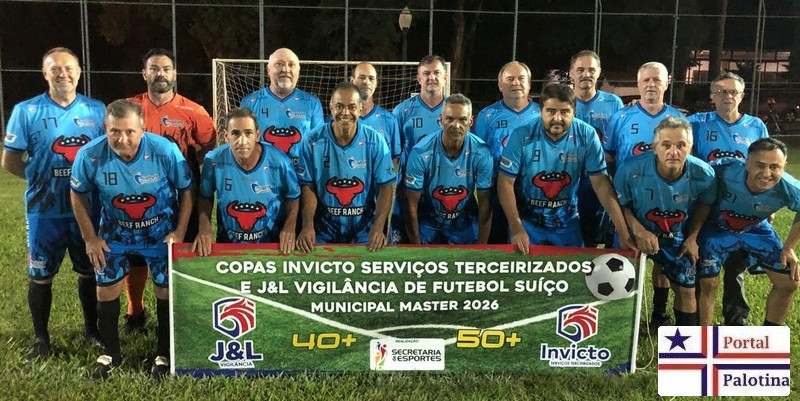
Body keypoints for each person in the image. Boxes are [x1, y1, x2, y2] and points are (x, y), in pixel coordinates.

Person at [70, 99, 194, 380]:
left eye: (129, 131)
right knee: (105, 290)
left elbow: (187, 189)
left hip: (159, 234)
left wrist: (179, 232)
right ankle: (110, 354)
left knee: (165, 290)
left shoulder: (164, 150)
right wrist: (90, 237)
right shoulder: (90, 155)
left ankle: (164, 354)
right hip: (115, 234)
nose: (122, 138)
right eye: (115, 131)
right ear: (105, 129)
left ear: (142, 128)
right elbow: (77, 194)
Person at [2, 47, 105, 361]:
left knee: (90, 270)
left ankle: (92, 331)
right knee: (41, 273)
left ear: (79, 71)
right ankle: (41, 339)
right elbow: (10, 160)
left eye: (69, 68)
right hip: (45, 209)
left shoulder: (96, 110)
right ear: (45, 73)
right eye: (55, 68)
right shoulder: (26, 111)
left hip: (88, 208)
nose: (63, 74)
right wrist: (38, 178)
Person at [125, 48, 217, 332]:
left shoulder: (193, 111)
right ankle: (135, 312)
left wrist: (186, 167)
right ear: (144, 73)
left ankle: (182, 311)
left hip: (182, 194)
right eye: (154, 68)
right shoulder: (131, 107)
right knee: (137, 254)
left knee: (184, 249)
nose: (160, 74)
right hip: (139, 193)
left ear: (174, 73)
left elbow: (210, 146)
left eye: (166, 69)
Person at [497, 84, 634, 254]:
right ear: (541, 111)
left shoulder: (587, 135)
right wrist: (516, 227)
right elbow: (505, 183)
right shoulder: (521, 135)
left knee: (572, 270)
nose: (557, 118)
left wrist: (623, 231)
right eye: (551, 111)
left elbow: (601, 183)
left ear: (574, 112)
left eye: (564, 112)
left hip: (566, 221)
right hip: (527, 221)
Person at [605, 61, 685, 329]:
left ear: (667, 83)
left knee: (663, 260)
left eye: (657, 80)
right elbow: (610, 157)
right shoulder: (621, 117)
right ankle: (622, 318)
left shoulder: (679, 119)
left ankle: (659, 314)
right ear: (638, 84)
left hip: (666, 203)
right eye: (646, 80)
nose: (651, 85)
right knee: (625, 257)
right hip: (628, 202)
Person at [614, 116, 716, 326]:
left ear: (690, 148)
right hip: (635, 231)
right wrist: (639, 231)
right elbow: (621, 204)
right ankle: (625, 329)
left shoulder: (705, 174)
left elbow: (705, 205)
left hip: (677, 235)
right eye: (666, 145)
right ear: (654, 148)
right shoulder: (630, 168)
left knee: (687, 291)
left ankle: (683, 341)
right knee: (618, 281)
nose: (673, 152)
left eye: (681, 145)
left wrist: (693, 237)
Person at [688, 72, 769, 326]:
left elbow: (768, 165)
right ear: (712, 96)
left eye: (733, 92)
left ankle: (736, 320)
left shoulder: (756, 126)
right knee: (704, 266)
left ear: (742, 96)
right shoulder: (697, 123)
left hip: (742, 208)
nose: (728, 96)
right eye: (721, 91)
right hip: (706, 206)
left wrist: (768, 204)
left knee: (736, 266)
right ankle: (700, 321)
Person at [697, 138, 800, 326]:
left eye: (775, 167)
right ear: (747, 163)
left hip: (755, 229)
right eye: (760, 165)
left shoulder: (789, 187)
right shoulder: (723, 169)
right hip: (715, 229)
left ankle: (769, 335)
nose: (766, 173)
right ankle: (705, 336)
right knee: (708, 283)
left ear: (784, 167)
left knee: (789, 282)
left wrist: (789, 247)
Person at [295, 82, 396, 253]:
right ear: (331, 107)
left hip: (364, 232)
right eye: (340, 106)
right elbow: (308, 186)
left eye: (352, 107)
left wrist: (379, 227)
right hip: (322, 231)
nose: (345, 112)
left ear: (360, 109)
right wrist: (307, 225)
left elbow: (385, 187)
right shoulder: (312, 141)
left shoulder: (375, 141)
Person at [192, 108, 300, 256]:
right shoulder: (213, 160)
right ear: (226, 136)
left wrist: (290, 226)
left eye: (248, 133)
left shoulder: (280, 162)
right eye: (235, 133)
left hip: (273, 245)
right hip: (228, 245)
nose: (242, 141)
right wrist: (204, 226)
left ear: (257, 135)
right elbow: (205, 195)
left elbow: (293, 196)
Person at [405, 94, 493, 244]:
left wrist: (482, 247)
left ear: (471, 121)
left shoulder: (482, 152)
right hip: (428, 221)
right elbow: (410, 205)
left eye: (462, 120)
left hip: (464, 221)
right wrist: (416, 246)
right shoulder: (420, 152)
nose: (456, 125)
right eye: (450, 119)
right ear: (441, 120)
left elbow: (485, 203)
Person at [473, 61, 540, 244]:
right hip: (497, 189)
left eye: (521, 78)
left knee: (532, 244)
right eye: (510, 79)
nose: (515, 82)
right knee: (497, 243)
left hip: (534, 191)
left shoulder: (542, 114)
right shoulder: (487, 115)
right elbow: (480, 156)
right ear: (500, 85)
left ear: (529, 84)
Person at [568, 50, 624, 248]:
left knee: (598, 237)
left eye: (591, 70)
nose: (586, 74)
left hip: (600, 179)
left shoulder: (613, 103)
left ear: (599, 72)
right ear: (571, 72)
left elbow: (616, 145)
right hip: (569, 179)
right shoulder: (564, 103)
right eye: (580, 70)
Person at [391, 55, 449, 243]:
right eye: (426, 73)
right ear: (419, 79)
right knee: (404, 249)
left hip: (444, 189)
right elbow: (396, 155)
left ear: (445, 77)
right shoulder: (402, 111)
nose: (432, 77)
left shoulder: (453, 110)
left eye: (437, 73)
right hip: (409, 190)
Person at [240, 47, 324, 165]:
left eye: (291, 65)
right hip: (264, 173)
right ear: (268, 70)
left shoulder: (312, 103)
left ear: (298, 72)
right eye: (279, 64)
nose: (285, 69)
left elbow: (319, 145)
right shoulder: (250, 103)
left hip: (300, 174)